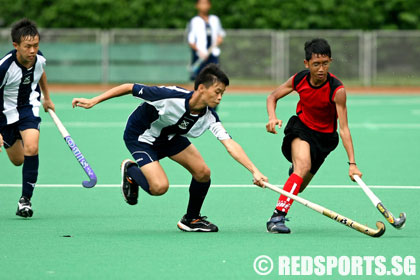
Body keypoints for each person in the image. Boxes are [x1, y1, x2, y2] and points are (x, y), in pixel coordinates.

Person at [72, 64, 267, 232]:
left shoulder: (209, 116)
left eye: (222, 93)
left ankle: (191, 219)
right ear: (201, 88)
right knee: (159, 188)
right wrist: (93, 100)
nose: (220, 98)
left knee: (202, 172)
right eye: (217, 92)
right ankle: (131, 170)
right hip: (142, 137)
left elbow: (230, 145)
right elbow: (129, 87)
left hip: (170, 137)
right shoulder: (169, 96)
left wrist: (255, 171)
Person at [265, 38, 362, 234]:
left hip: (325, 139)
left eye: (325, 63)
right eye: (316, 64)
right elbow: (272, 96)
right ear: (306, 63)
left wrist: (352, 163)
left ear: (330, 62)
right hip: (301, 128)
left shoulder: (337, 90)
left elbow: (343, 129)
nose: (320, 69)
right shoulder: (299, 79)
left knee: (298, 187)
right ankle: (277, 217)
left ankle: (295, 173)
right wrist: (272, 117)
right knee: (303, 167)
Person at [0, 18, 55, 218]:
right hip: (4, 114)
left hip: (28, 108)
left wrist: (47, 98)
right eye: (27, 46)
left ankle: (25, 200)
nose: (32, 51)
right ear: (16, 46)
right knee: (18, 160)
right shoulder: (4, 68)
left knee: (32, 147)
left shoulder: (38, 59)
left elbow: (41, 74)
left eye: (36, 45)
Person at [187, 0, 225, 81]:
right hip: (199, 56)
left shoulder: (215, 19)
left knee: (215, 79)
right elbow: (190, 41)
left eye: (206, 3)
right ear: (197, 5)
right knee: (200, 81)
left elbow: (220, 34)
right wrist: (200, 52)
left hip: (213, 54)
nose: (204, 5)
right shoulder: (194, 21)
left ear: (210, 5)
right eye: (201, 3)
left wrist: (219, 39)